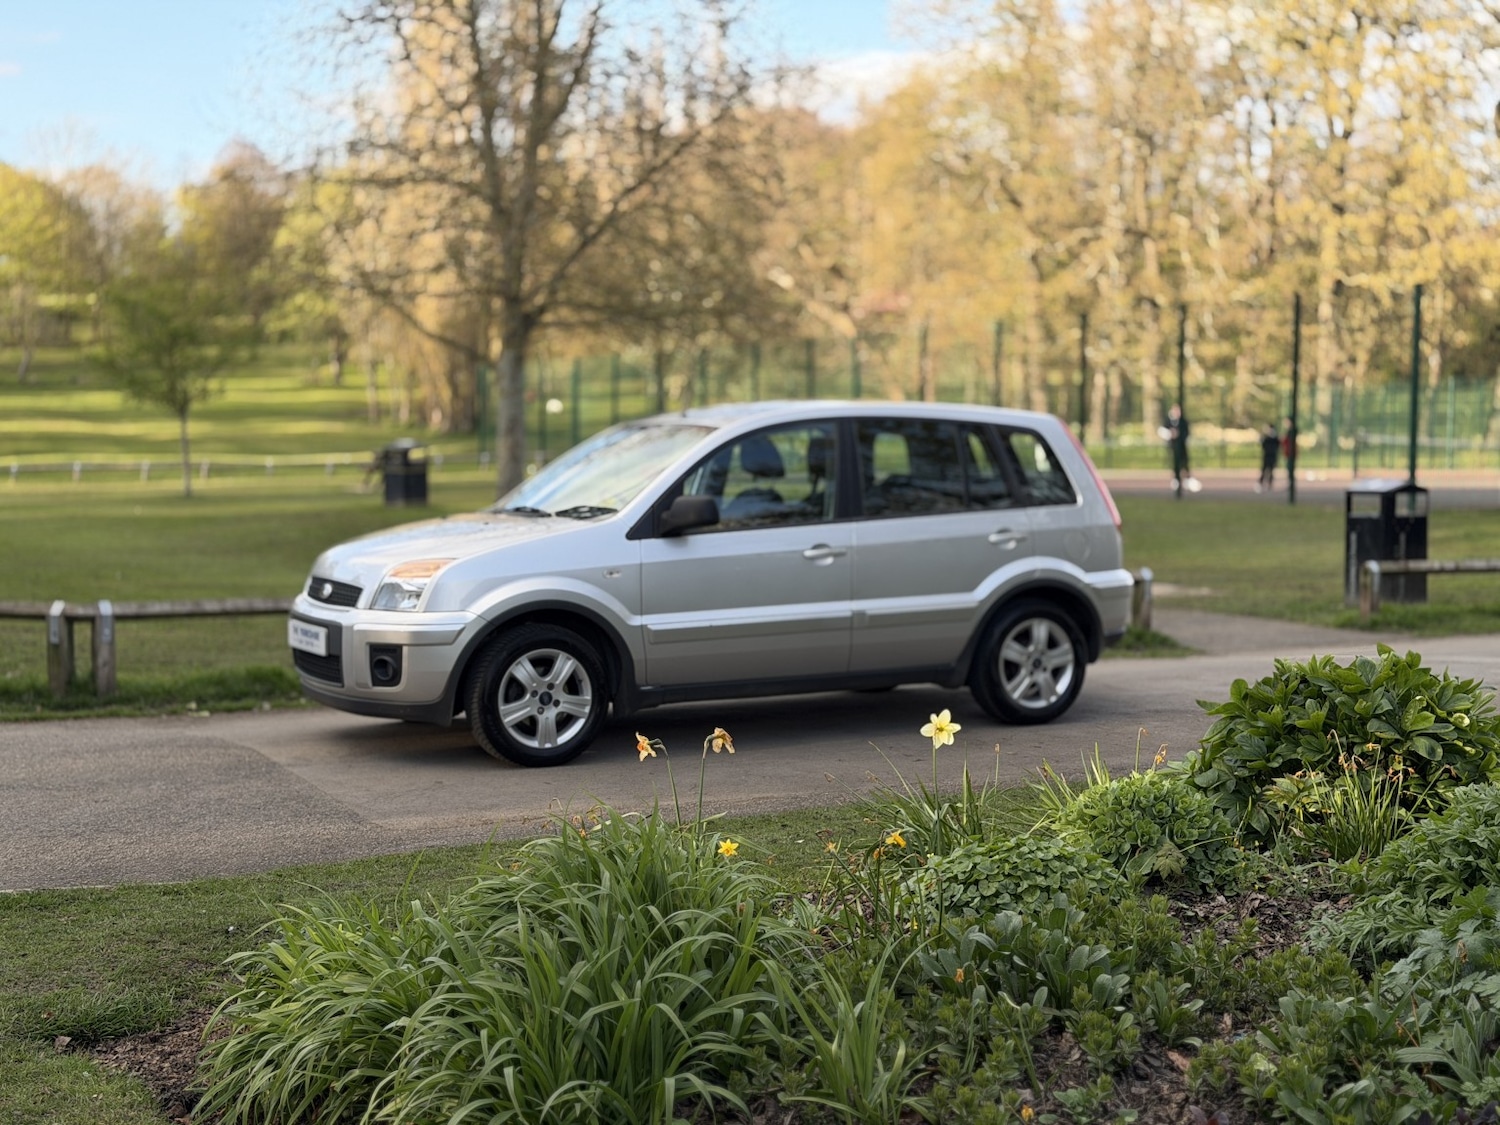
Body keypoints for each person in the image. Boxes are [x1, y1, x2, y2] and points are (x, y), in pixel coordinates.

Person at [1162, 403, 1199, 495]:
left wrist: (1180, 435)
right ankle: (1176, 479)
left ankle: (1187, 479)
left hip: (1182, 446)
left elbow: (1186, 433)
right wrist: (1171, 434)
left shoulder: (1183, 422)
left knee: (1184, 462)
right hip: (1173, 446)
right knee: (1175, 463)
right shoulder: (1168, 421)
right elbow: (1162, 431)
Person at [1258, 421, 1279, 492]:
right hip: (1267, 456)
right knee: (1264, 470)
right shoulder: (1267, 438)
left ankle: (1269, 484)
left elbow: (1277, 446)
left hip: (1272, 457)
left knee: (1271, 471)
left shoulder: (1275, 439)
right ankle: (1261, 483)